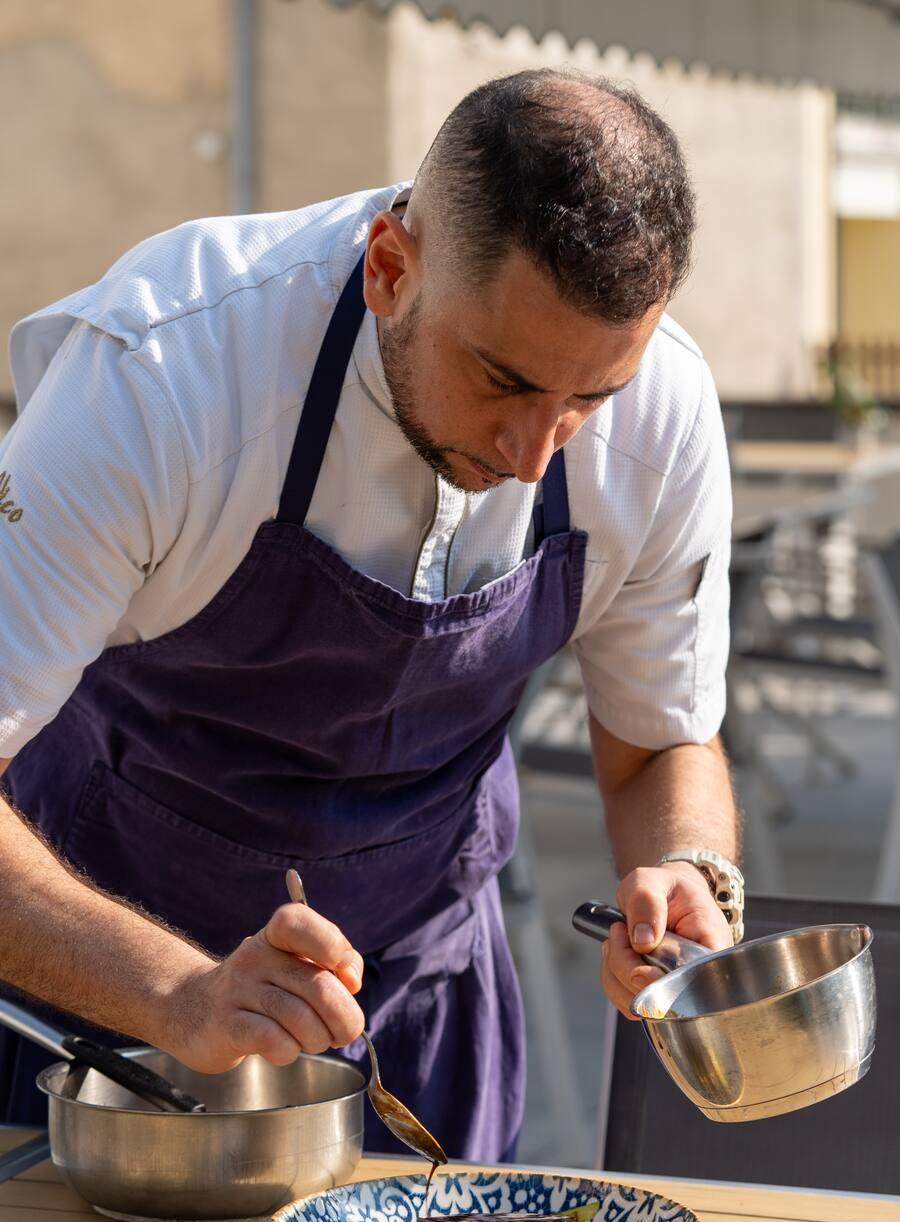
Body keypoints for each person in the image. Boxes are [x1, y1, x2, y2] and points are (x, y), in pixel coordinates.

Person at [0, 68, 740, 1162]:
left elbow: (659, 744)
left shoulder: (663, 414)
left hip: (426, 1016)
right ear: (390, 267)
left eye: (591, 399)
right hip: (107, 1029)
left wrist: (688, 871)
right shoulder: (160, 377)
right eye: (502, 380)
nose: (533, 456)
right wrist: (178, 995)